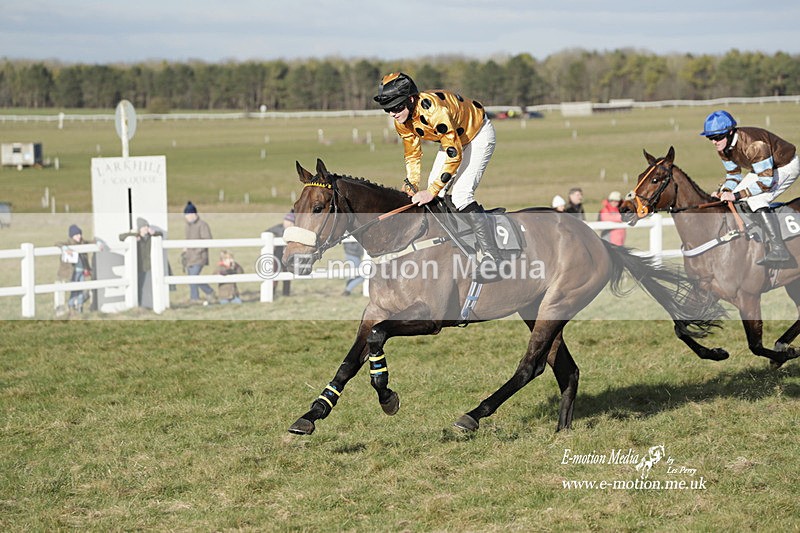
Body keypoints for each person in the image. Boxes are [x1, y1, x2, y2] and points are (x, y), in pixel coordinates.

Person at [373, 72, 501, 278]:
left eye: (396, 107)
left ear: (411, 99)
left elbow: (454, 155)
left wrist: (430, 191)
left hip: (477, 134)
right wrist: (412, 184)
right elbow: (412, 154)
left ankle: (492, 257)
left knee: (461, 195)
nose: (392, 114)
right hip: (453, 139)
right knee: (437, 196)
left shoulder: (435, 112)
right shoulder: (401, 120)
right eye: (388, 109)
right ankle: (454, 248)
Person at [701, 110, 799, 263]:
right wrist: (724, 192)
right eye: (710, 138)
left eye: (718, 137)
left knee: (756, 201)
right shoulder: (723, 148)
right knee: (736, 196)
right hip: (762, 168)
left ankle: (779, 248)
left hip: (785, 166)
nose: (714, 141)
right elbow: (734, 176)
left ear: (730, 132)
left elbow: (765, 183)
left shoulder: (755, 145)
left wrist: (736, 195)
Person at [56, 224, 105, 314]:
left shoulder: (83, 243)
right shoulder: (69, 244)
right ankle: (71, 306)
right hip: (73, 272)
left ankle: (80, 306)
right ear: (72, 236)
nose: (79, 236)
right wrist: (65, 248)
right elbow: (58, 243)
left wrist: (98, 243)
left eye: (80, 234)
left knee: (82, 289)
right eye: (76, 235)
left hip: (82, 271)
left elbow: (92, 242)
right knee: (74, 290)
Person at [119, 217, 163, 308]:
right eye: (144, 227)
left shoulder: (151, 237)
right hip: (139, 266)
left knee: (151, 286)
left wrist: (154, 233)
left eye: (147, 226)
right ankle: (139, 305)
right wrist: (135, 234)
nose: (146, 228)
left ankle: (151, 305)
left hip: (149, 266)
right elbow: (121, 237)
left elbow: (161, 235)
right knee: (139, 287)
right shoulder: (136, 237)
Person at [182, 201, 216, 304]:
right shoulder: (187, 226)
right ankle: (194, 298)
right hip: (189, 257)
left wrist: (197, 251)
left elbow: (207, 240)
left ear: (193, 214)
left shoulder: (203, 225)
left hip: (199, 256)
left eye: (188, 214)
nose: (186, 217)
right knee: (191, 278)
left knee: (194, 277)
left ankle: (208, 292)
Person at [265, 210, 295, 296]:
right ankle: (272, 292)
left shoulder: (294, 231)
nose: (288, 224)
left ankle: (286, 293)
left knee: (287, 275)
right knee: (274, 274)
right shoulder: (278, 228)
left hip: (288, 257)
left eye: (291, 222)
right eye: (287, 221)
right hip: (277, 255)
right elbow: (266, 233)